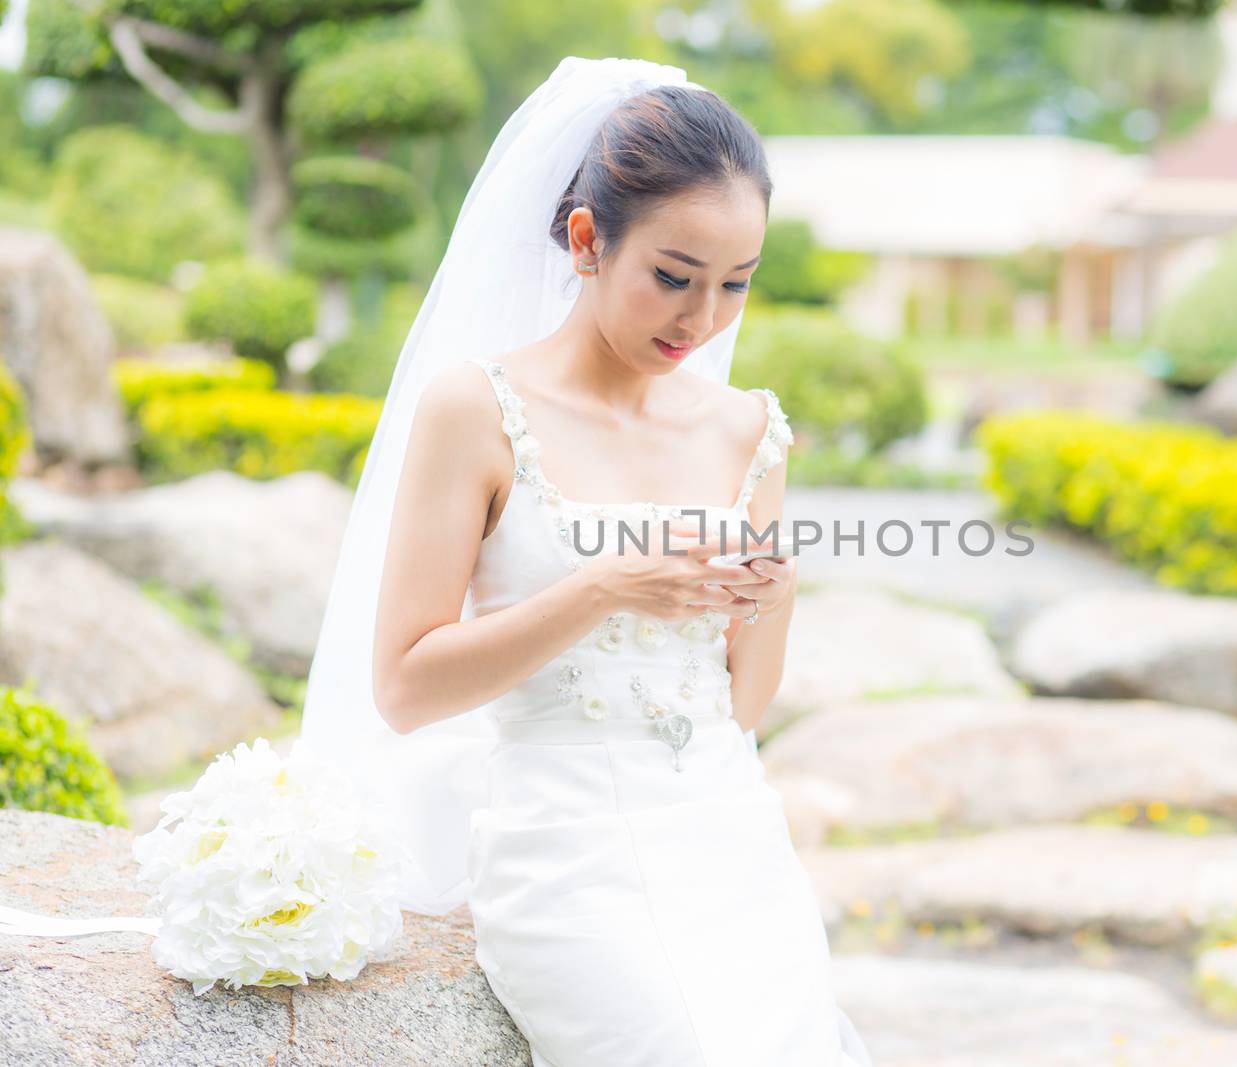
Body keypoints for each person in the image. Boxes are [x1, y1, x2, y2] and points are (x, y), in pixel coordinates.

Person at [296, 57, 875, 1065]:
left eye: (735, 284)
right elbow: (401, 687)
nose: (700, 321)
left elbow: (737, 709)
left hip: (733, 844)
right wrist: (604, 586)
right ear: (585, 239)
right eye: (673, 277)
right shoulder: (476, 410)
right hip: (566, 852)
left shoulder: (749, 429)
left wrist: (773, 599)